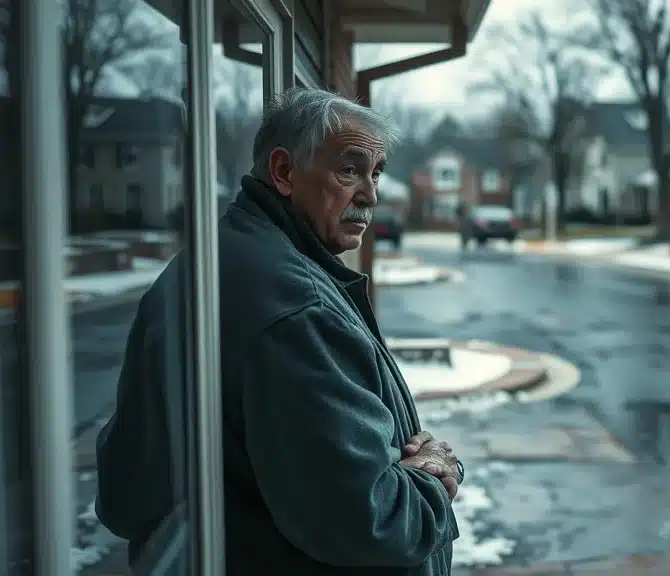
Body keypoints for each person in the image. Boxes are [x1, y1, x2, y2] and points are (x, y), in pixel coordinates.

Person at [94, 87, 464, 575]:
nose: (370, 194)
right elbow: (370, 521)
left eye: (376, 173)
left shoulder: (206, 263)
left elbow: (126, 491)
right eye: (349, 170)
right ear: (284, 172)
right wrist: (436, 476)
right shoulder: (296, 309)